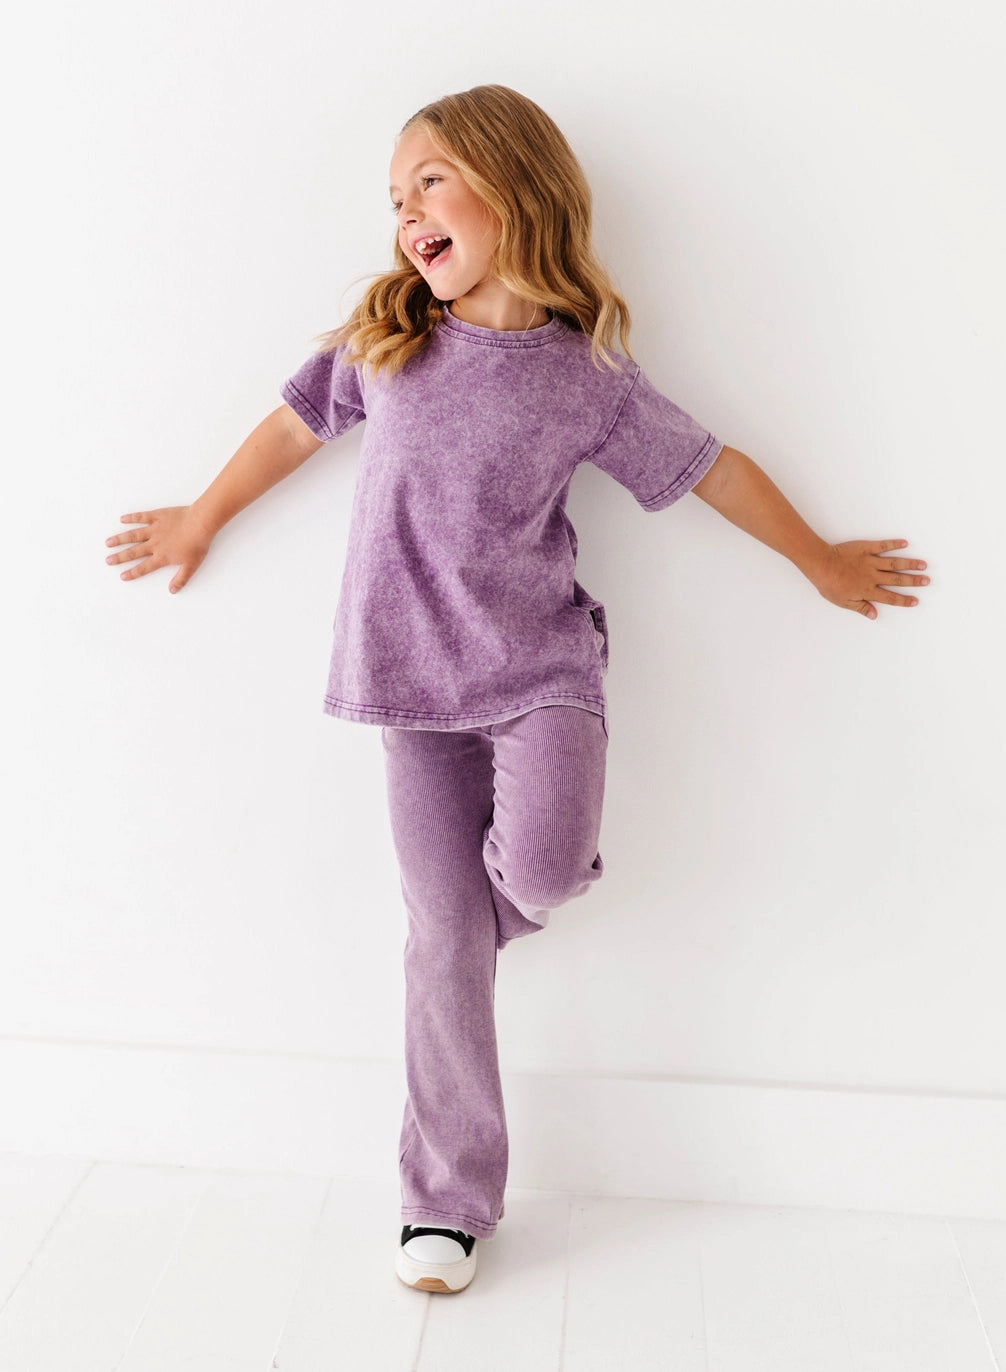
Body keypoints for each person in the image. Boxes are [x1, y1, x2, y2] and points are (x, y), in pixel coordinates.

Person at [105, 84, 929, 1295]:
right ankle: (443, 1204)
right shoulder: (387, 342)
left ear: (514, 188)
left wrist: (817, 558)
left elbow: (710, 468)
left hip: (539, 674)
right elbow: (290, 427)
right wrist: (200, 516)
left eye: (428, 183)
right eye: (395, 198)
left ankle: (452, 948)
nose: (406, 215)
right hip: (406, 686)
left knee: (537, 874)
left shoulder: (585, 375)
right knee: (443, 941)